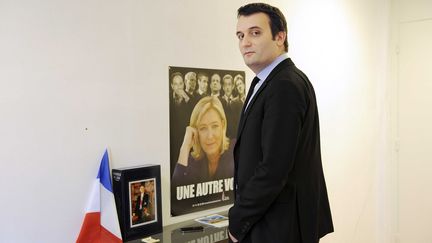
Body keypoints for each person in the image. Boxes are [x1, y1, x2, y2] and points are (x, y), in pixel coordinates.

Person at [228, 3, 333, 243]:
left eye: (255, 33)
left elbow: (273, 168)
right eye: (240, 35)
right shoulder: (268, 81)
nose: (245, 42)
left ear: (280, 36)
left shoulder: (284, 85)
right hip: (270, 222)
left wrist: (237, 222)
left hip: (278, 227)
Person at [172, 96, 234, 184]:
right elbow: (176, 192)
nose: (210, 136)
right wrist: (184, 148)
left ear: (223, 125)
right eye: (203, 128)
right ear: (195, 131)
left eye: (215, 126)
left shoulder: (236, 150)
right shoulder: (191, 161)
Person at [221, 74, 243, 139]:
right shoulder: (220, 101)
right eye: (225, 85)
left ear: (233, 86)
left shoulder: (238, 103)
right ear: (223, 87)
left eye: (229, 84)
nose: (227, 87)